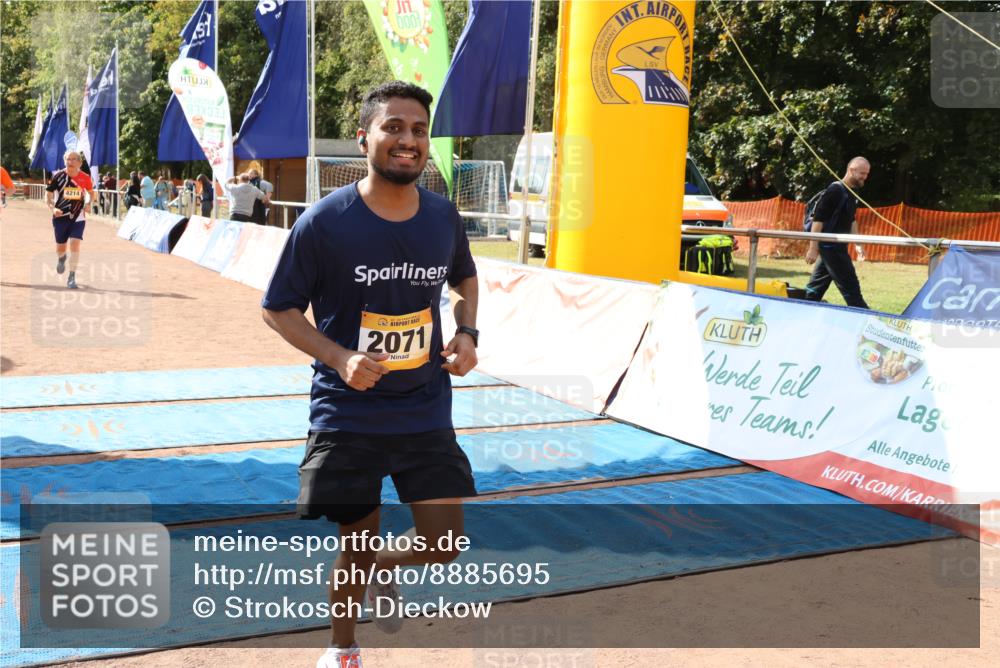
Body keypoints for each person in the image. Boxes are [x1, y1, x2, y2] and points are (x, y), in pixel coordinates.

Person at [261, 81, 479, 668]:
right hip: (349, 412)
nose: (408, 140)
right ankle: (342, 650)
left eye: (418, 130)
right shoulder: (324, 222)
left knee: (444, 543)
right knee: (355, 544)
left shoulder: (443, 217)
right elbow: (277, 308)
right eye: (393, 127)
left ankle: (382, 566)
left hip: (423, 405)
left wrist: (467, 332)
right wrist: (339, 357)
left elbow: (464, 277)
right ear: (364, 139)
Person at [803, 157, 871, 309]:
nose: (865, 177)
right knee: (852, 291)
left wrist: (858, 245)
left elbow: (851, 220)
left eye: (867, 174)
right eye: (862, 173)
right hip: (831, 248)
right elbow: (818, 221)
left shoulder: (852, 192)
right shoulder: (835, 190)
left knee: (814, 289)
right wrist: (813, 248)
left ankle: (803, 309)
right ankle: (866, 318)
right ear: (851, 170)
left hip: (836, 248)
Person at [45, 150, 95, 289]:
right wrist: (53, 208)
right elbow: (48, 195)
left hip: (78, 217)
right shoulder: (58, 176)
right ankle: (61, 258)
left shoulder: (85, 177)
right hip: (60, 217)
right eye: (68, 159)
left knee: (75, 244)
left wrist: (89, 203)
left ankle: (72, 277)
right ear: (64, 161)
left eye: (73, 159)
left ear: (79, 162)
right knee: (61, 248)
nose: (70, 162)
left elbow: (91, 193)